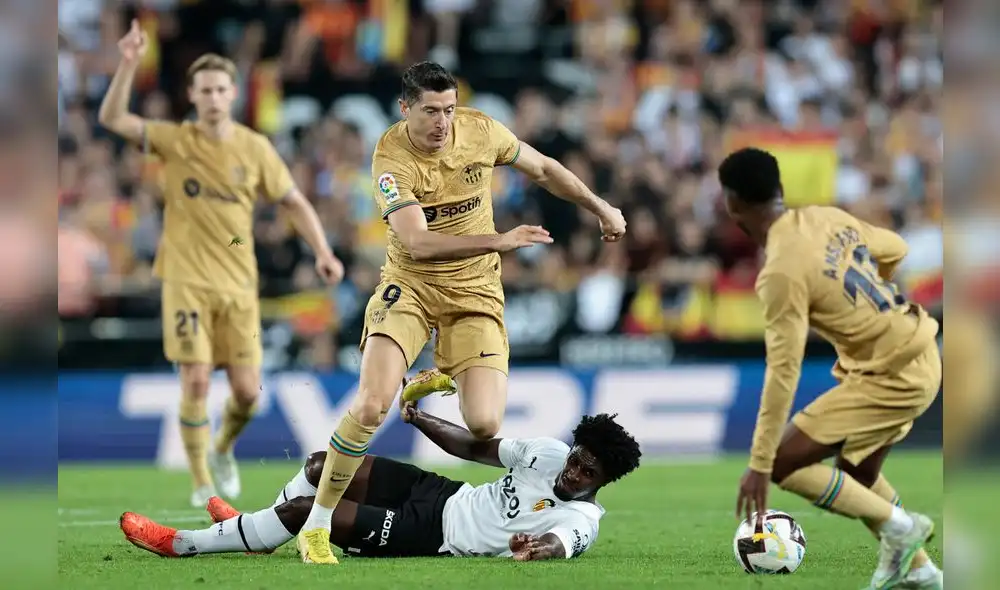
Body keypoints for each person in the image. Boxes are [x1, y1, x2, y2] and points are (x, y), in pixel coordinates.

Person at [295, 61, 628, 564]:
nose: (442, 123)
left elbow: (542, 168)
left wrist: (600, 207)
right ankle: (317, 526)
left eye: (449, 110)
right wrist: (502, 239)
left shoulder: (481, 131)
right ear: (406, 108)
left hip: (475, 294)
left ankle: (422, 380)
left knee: (483, 423)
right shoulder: (391, 157)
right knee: (369, 405)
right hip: (410, 285)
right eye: (430, 111)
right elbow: (417, 241)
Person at [98, 21, 344, 508]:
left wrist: (323, 251)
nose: (212, 96)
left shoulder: (254, 148)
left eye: (220, 88)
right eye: (203, 88)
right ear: (192, 94)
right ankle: (199, 482)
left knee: (248, 393)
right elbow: (112, 119)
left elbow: (294, 201)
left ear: (232, 93)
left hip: (238, 284)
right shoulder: (174, 139)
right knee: (194, 377)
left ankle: (224, 448)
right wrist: (128, 62)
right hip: (185, 280)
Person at [719, 147, 942, 590]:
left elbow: (784, 370)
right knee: (859, 473)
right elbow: (895, 247)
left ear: (732, 204)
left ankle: (901, 526)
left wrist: (759, 463)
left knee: (786, 463)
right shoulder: (827, 218)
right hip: (922, 351)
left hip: (890, 375)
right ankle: (920, 572)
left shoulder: (780, 271)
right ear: (780, 190)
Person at [119, 408, 641, 561]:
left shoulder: (580, 520)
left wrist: (535, 548)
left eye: (587, 472)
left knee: (308, 512)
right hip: (441, 493)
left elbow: (558, 545)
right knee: (328, 464)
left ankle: (183, 545)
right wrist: (419, 419)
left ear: (604, 481)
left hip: (428, 534)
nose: (573, 472)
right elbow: (476, 448)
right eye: (577, 459)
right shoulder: (548, 454)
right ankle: (251, 533)